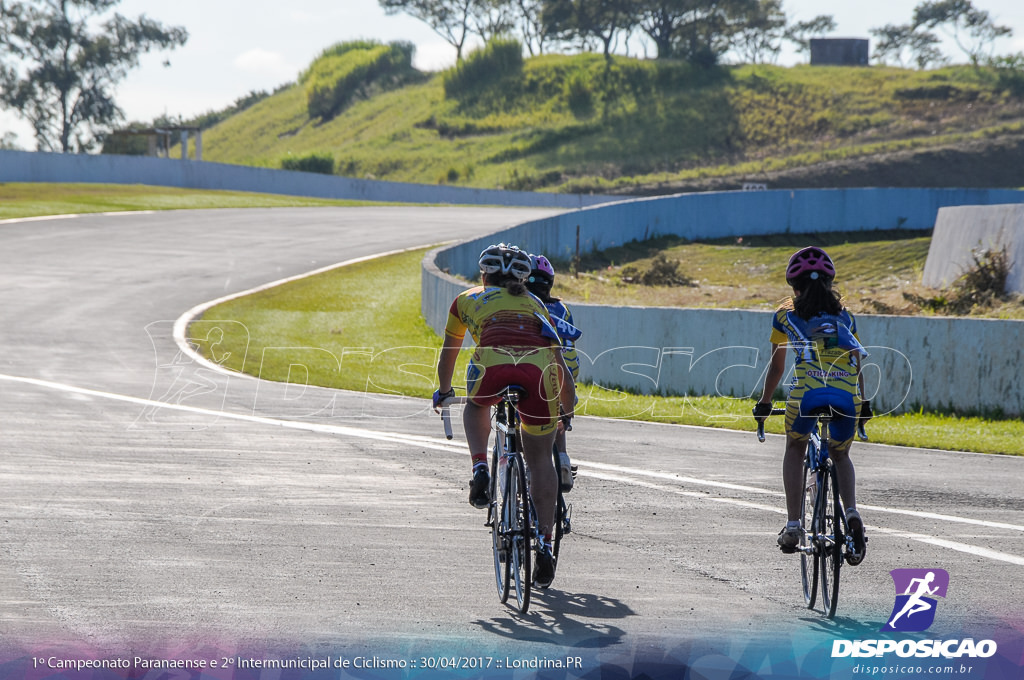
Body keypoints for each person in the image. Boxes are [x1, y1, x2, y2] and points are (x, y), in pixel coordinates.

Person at [433, 243, 576, 587]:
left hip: (492, 366)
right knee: (540, 458)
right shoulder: (537, 303)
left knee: (476, 405)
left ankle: (480, 467)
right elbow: (559, 363)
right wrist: (567, 409)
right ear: (524, 279)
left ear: (483, 275)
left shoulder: (467, 299)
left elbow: (448, 354)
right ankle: (543, 544)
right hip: (540, 373)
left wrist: (444, 390)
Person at [753, 246, 872, 565]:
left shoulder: (785, 315)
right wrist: (864, 404)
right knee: (841, 454)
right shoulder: (846, 316)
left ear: (794, 286)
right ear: (830, 283)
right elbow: (857, 364)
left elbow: (777, 368)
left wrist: (764, 403)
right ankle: (852, 514)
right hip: (848, 395)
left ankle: (793, 525)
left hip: (807, 393)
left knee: (795, 447)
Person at [525, 253, 582, 492]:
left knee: (527, 411)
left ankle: (530, 462)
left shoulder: (525, 304)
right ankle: (563, 458)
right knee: (558, 415)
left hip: (540, 365)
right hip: (568, 371)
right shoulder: (562, 307)